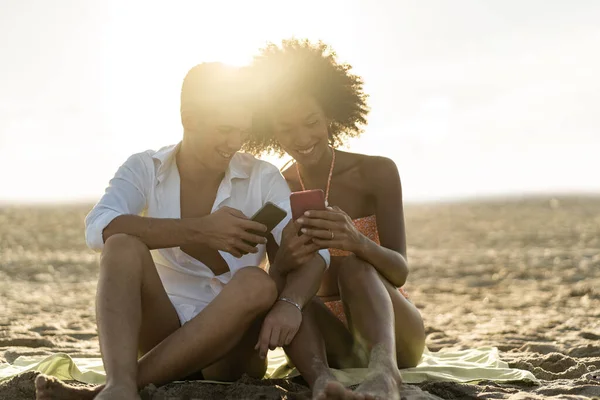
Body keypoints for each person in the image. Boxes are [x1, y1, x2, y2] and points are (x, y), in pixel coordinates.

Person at [34, 62, 330, 400]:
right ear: (189, 118)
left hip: (232, 351)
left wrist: (290, 302)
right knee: (121, 245)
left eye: (241, 131)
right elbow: (98, 226)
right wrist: (201, 231)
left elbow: (313, 252)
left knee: (256, 282)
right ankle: (120, 383)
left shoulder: (262, 178)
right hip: (161, 332)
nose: (234, 142)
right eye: (224, 129)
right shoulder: (146, 167)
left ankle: (108, 390)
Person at [248, 39, 426, 400]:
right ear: (271, 129)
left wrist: (357, 242)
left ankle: (385, 375)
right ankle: (321, 384)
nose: (301, 138)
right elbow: (277, 279)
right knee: (290, 297)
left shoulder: (377, 172)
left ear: (329, 113)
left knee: (354, 269)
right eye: (285, 128)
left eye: (311, 122)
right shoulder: (274, 190)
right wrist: (284, 259)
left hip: (393, 329)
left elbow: (400, 270)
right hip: (326, 338)